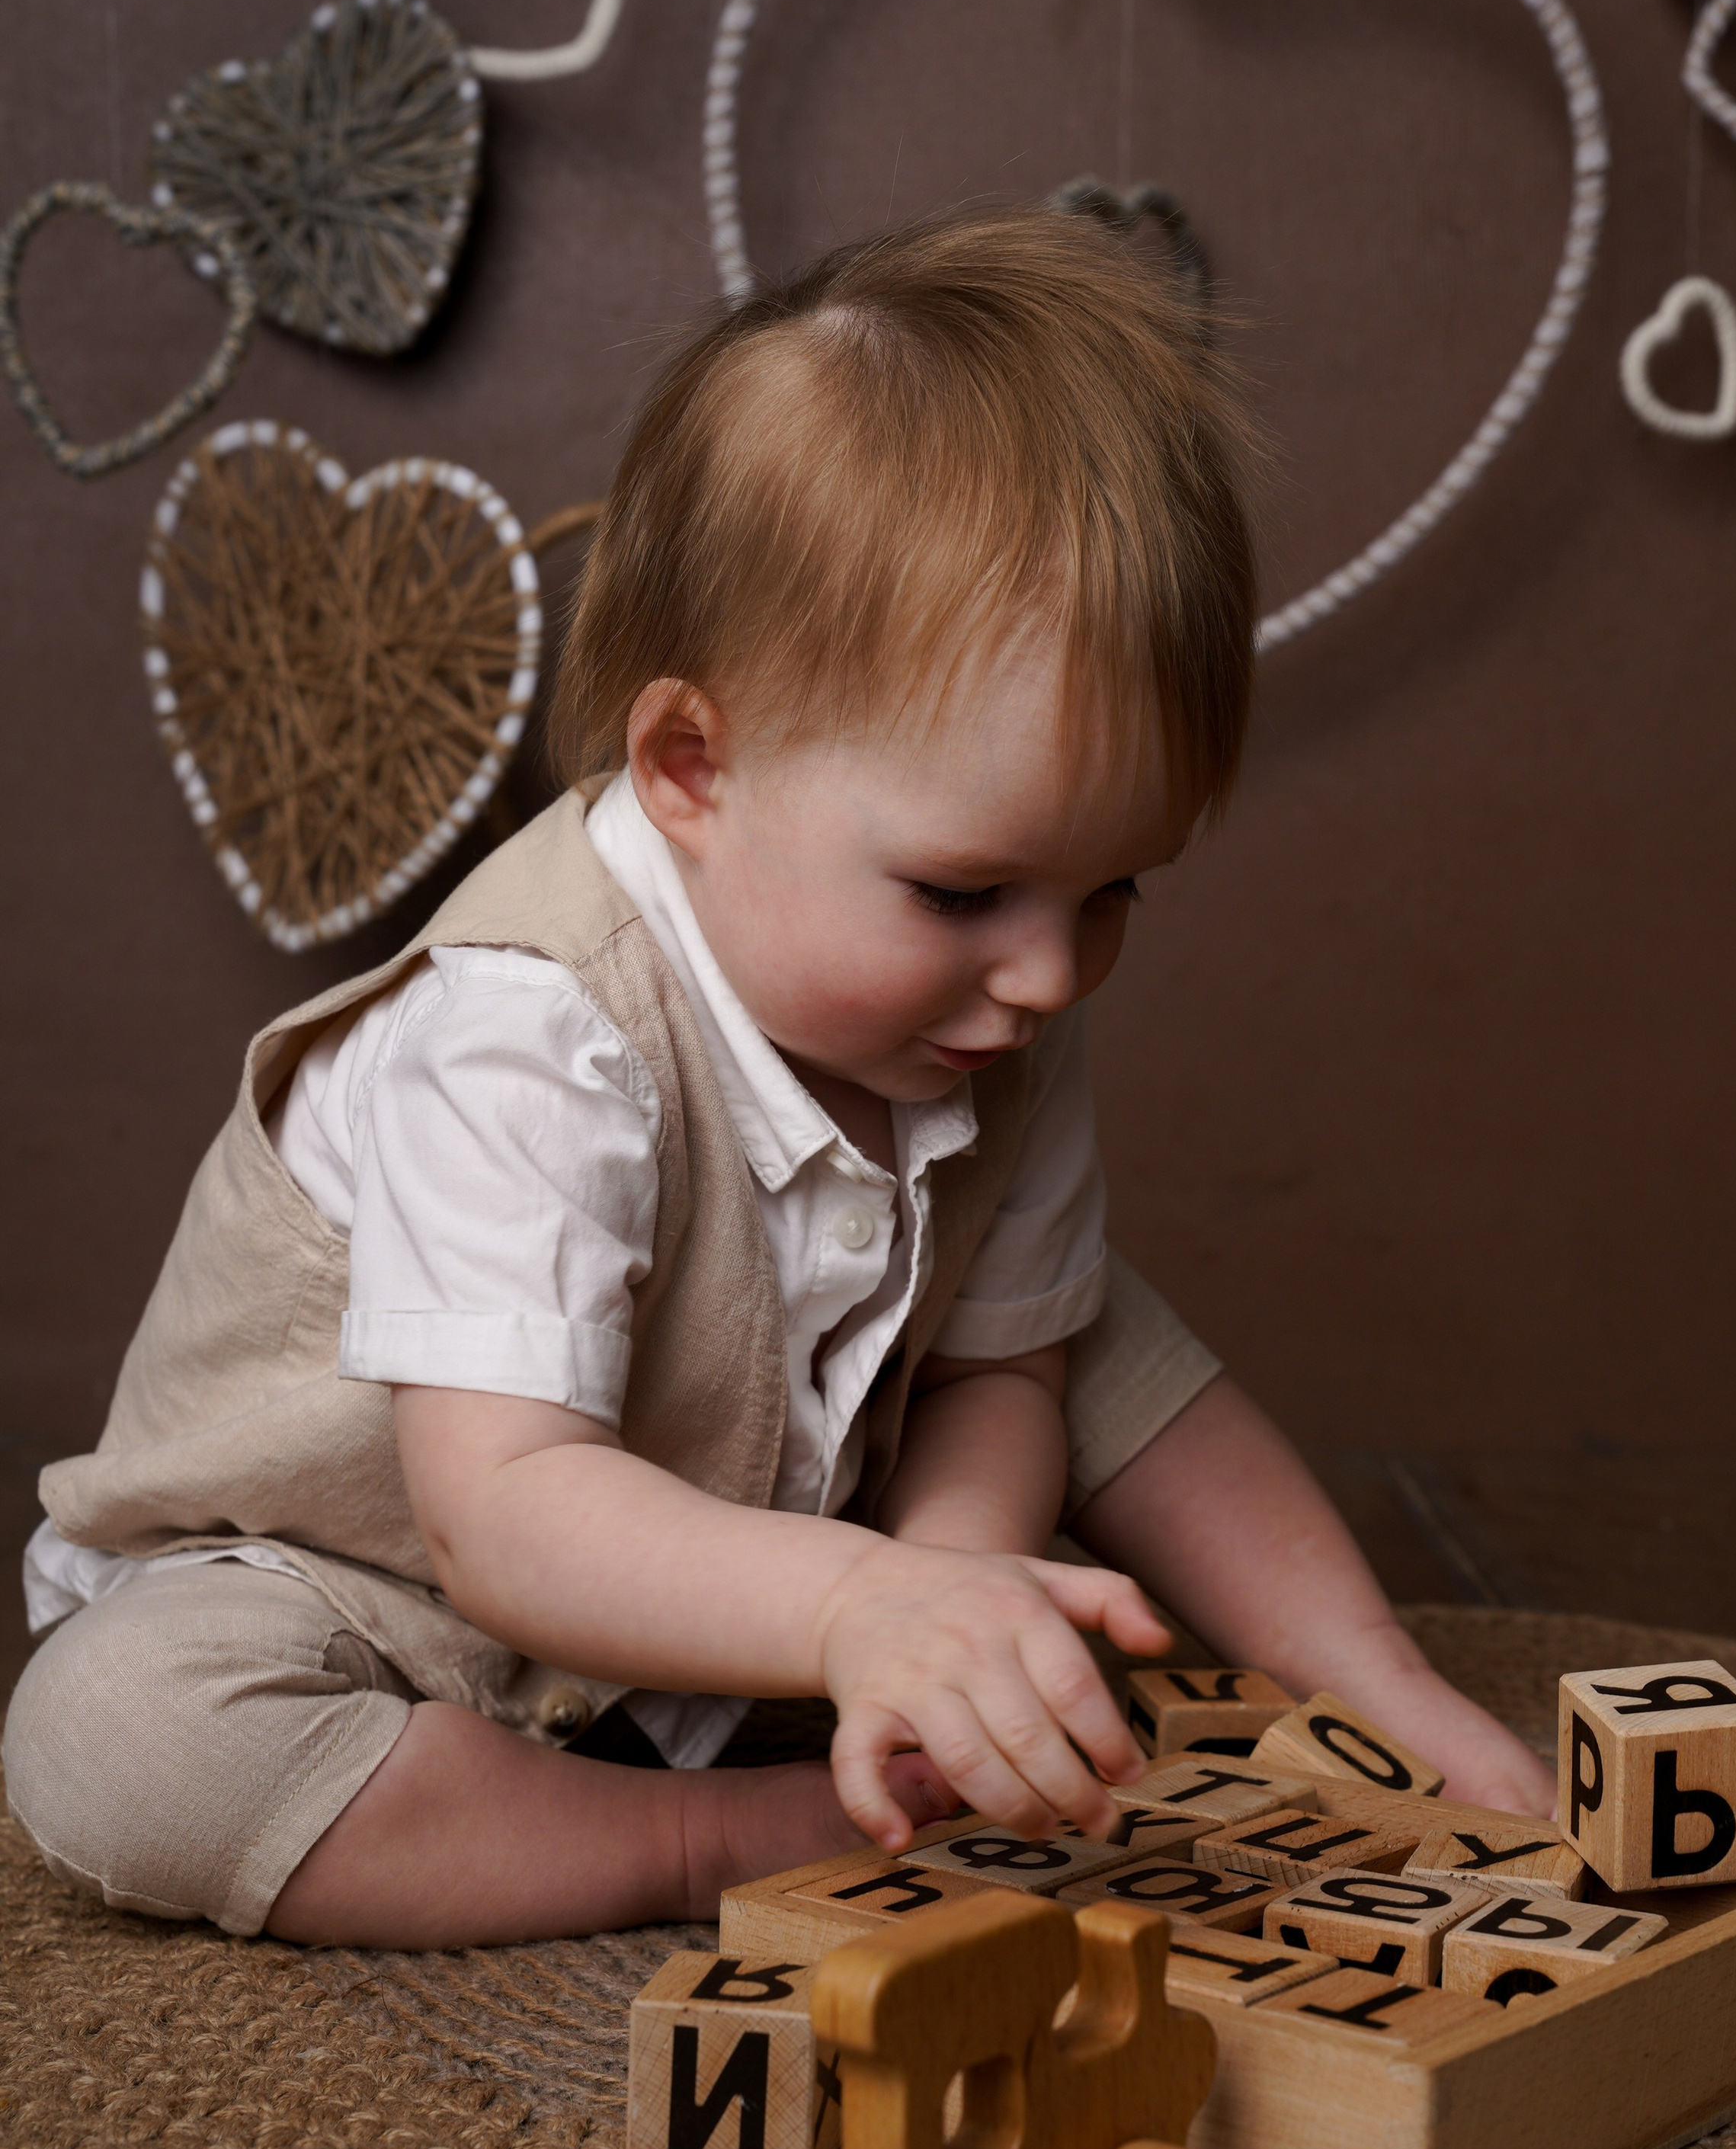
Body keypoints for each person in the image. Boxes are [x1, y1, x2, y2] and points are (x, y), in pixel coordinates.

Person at [5, 209, 1552, 1952]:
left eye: (1112, 888)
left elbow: (1008, 1380)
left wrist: (965, 1600)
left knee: (1076, 1320)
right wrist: (869, 1601)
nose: (1048, 972)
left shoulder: (987, 999)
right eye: (963, 892)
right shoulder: (529, 1024)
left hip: (730, 1535)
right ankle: (713, 1838)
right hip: (381, 1589)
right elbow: (507, 1515)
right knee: (121, 1742)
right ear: (689, 767)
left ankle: (1361, 1668)